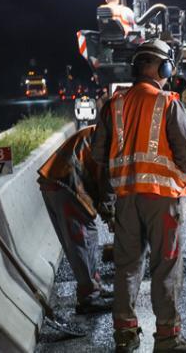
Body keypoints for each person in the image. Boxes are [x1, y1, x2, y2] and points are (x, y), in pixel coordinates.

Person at [90, 39, 186, 352]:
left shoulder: (113, 104)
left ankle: (125, 335)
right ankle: (168, 338)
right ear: (161, 67)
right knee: (165, 265)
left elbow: (98, 154)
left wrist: (109, 197)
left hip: (125, 197)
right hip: (162, 199)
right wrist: (179, 176)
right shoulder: (167, 102)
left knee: (127, 266)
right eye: (168, 65)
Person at [37, 125, 112, 315]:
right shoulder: (114, 140)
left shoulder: (105, 132)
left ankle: (94, 286)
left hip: (58, 181)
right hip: (65, 183)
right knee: (82, 239)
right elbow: (108, 181)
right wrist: (111, 214)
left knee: (87, 235)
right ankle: (89, 297)